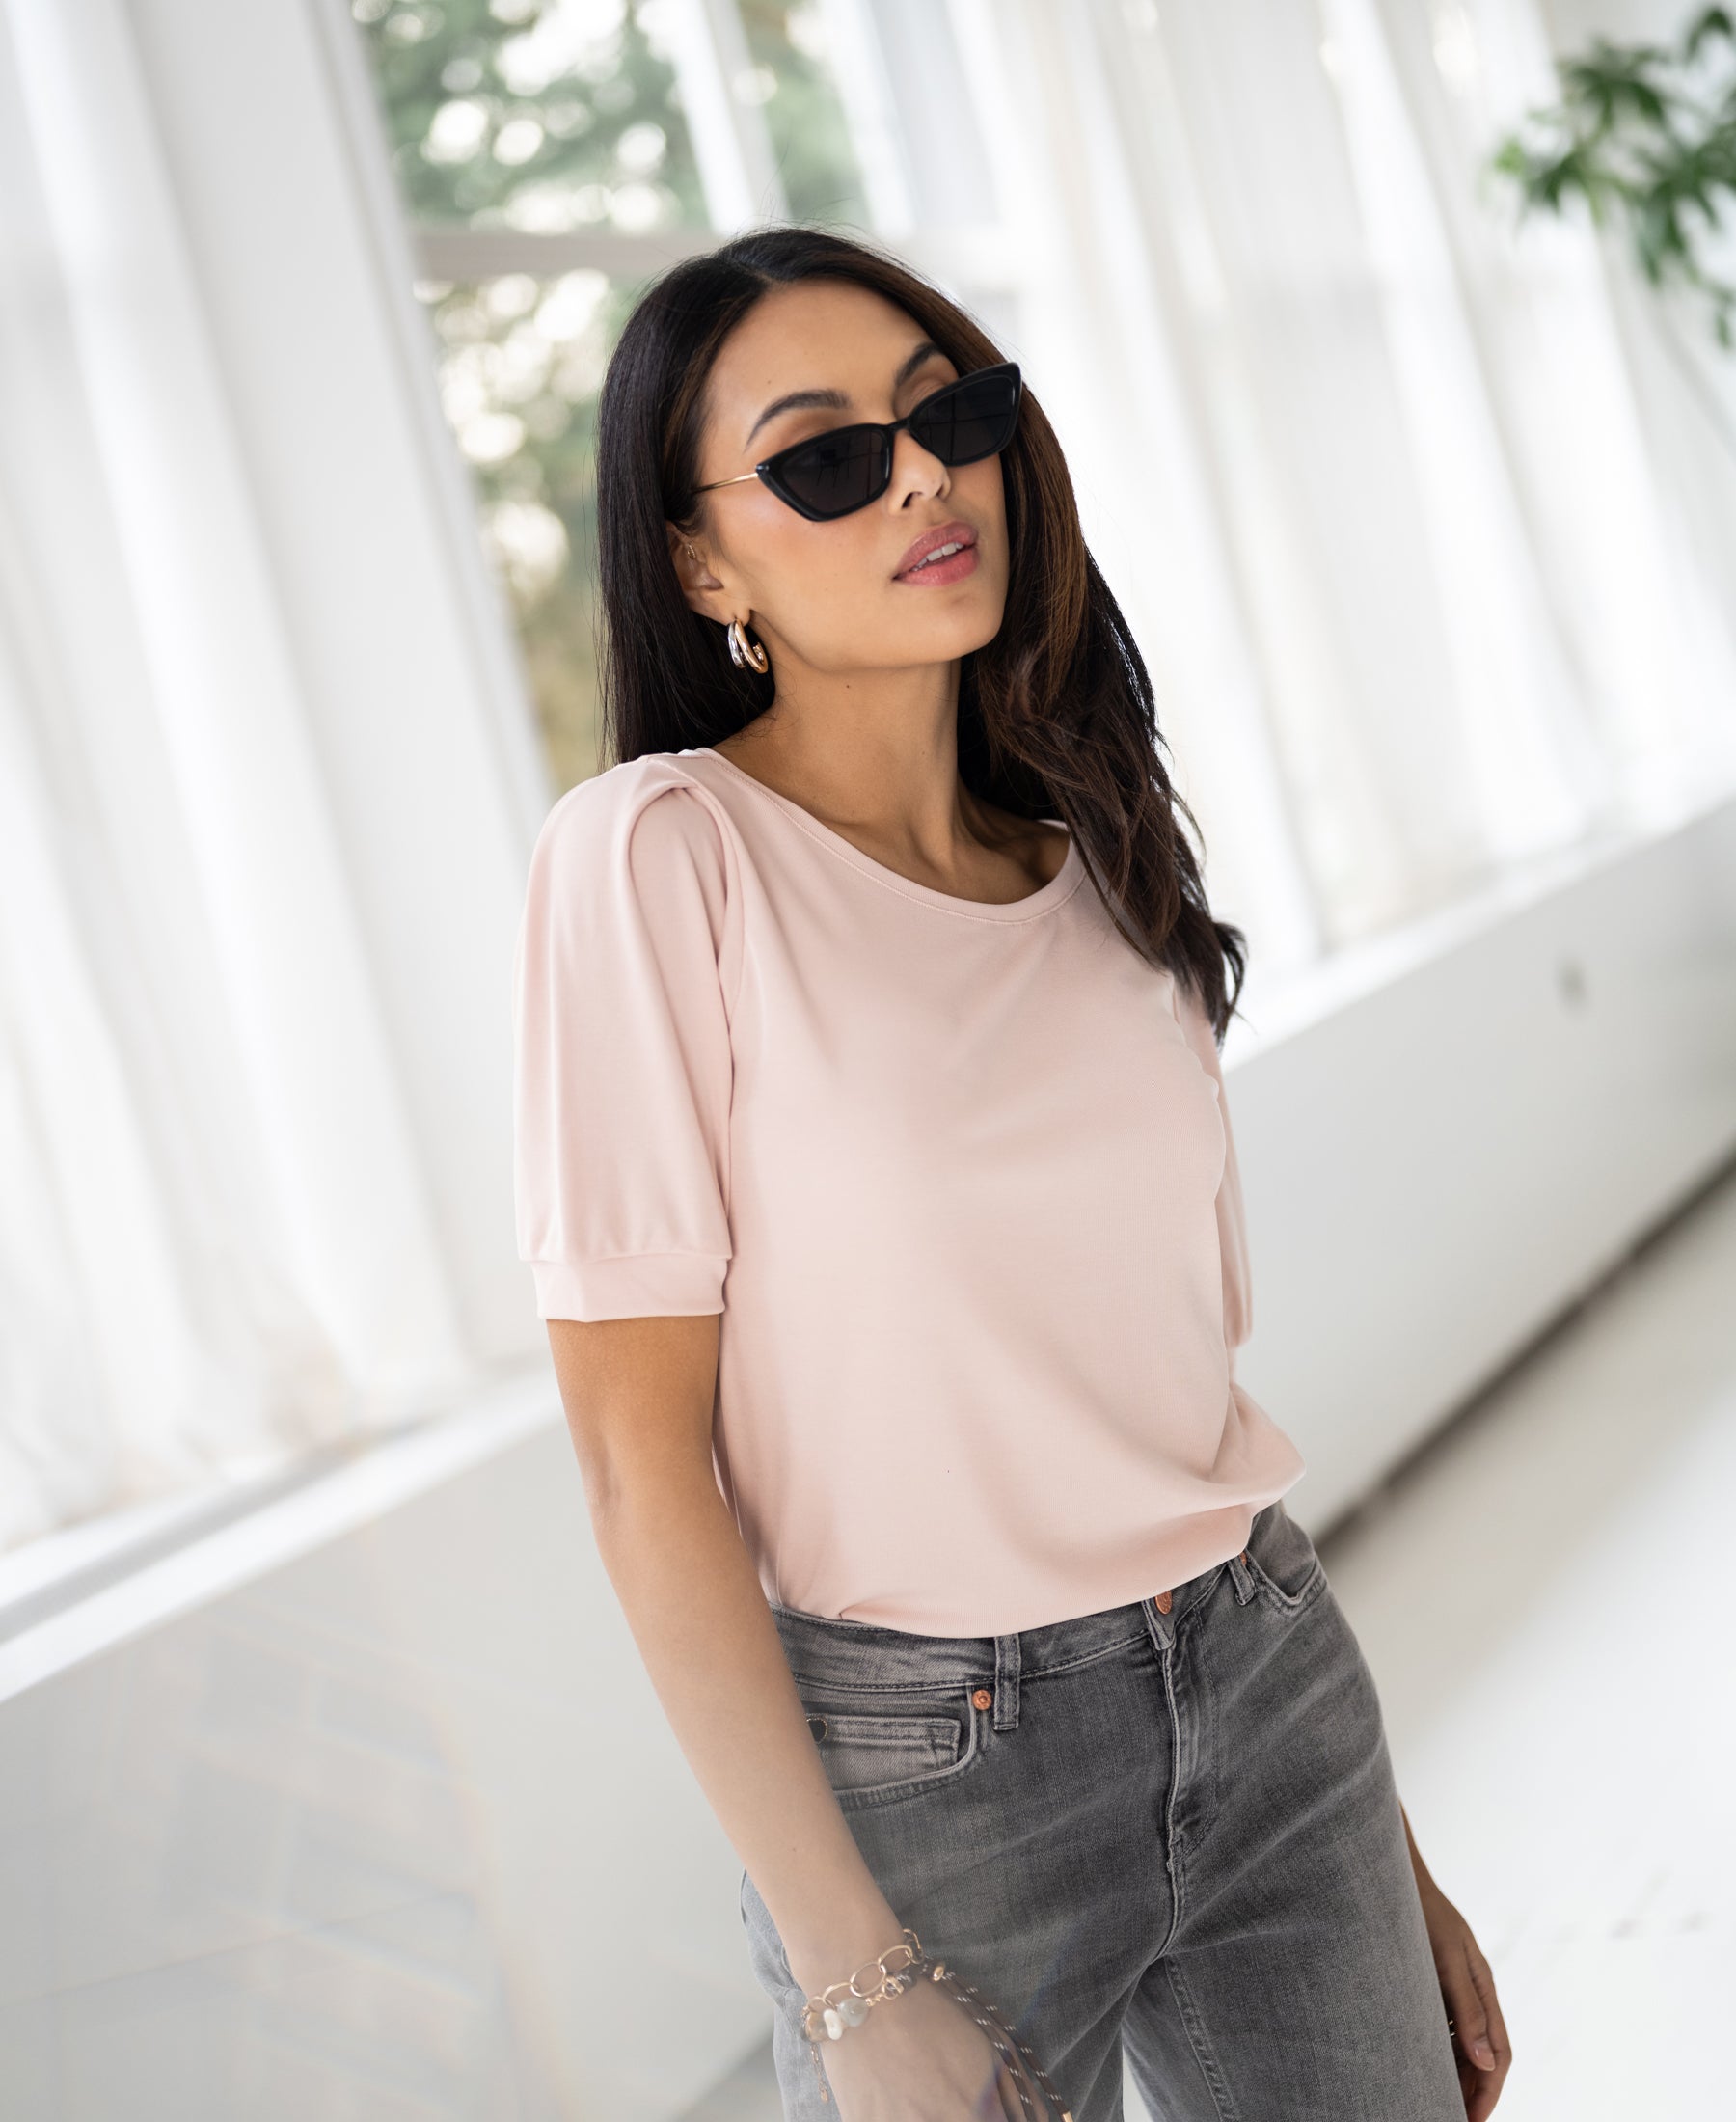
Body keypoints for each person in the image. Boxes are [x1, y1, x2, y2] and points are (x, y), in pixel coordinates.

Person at [512, 225, 1510, 2122]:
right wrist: (848, 1971)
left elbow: (1177, 1402)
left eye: (946, 414)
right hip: (924, 1784)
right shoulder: (659, 857)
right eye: (822, 455)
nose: (918, 475)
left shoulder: (1093, 847)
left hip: (1267, 1676)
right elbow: (643, 1468)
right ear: (700, 558)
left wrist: (1390, 1845)